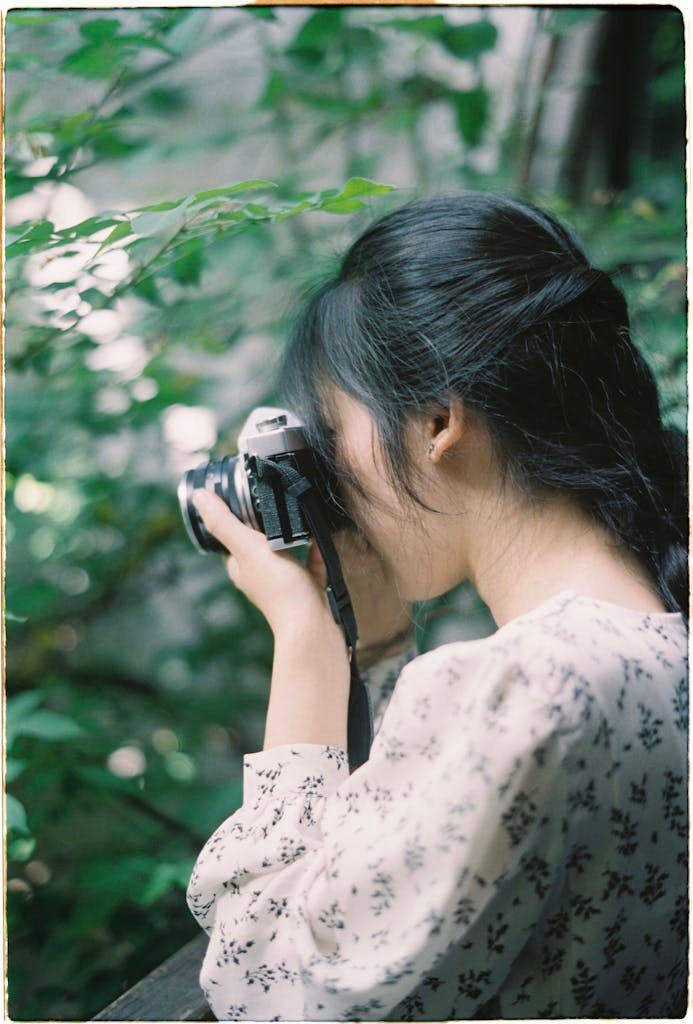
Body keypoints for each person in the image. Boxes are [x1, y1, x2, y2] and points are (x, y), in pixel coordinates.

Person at [186, 193, 688, 1020]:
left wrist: (304, 639)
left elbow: (265, 986)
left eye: (334, 432)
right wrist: (376, 642)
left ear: (436, 421)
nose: (334, 476)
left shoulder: (526, 689)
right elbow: (412, 864)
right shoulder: (649, 634)